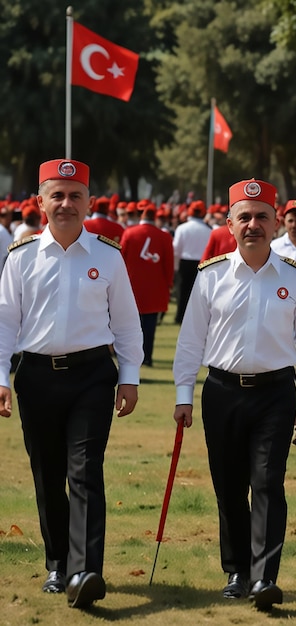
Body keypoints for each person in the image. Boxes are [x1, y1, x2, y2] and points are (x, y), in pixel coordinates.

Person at [173, 179, 296, 611]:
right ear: (229, 223)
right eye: (245, 217)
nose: (253, 225)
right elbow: (189, 342)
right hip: (221, 392)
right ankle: (236, 570)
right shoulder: (210, 276)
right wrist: (184, 394)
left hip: (275, 395)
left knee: (267, 483)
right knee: (228, 486)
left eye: (262, 217)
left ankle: (264, 576)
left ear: (276, 222)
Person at [0, 159, 143, 608]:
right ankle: (58, 563)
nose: (65, 203)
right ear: (40, 202)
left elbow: (127, 325)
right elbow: (5, 322)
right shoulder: (21, 257)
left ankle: (86, 570)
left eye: (74, 195)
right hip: (37, 377)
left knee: (85, 472)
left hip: (92, 378)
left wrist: (130, 377)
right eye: (56, 195)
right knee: (47, 476)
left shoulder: (108, 255)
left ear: (89, 203)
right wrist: (0, 376)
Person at [120, 204, 175, 366]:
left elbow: (121, 259)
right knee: (150, 326)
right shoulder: (164, 236)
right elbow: (169, 264)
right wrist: (169, 284)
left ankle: (130, 356)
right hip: (155, 287)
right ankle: (147, 357)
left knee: (130, 326)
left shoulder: (129, 233)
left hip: (132, 285)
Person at [172, 200, 212, 323]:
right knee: (198, 293)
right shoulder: (208, 230)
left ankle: (180, 316)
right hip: (201, 263)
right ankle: (196, 317)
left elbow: (176, 248)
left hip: (185, 261)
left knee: (182, 291)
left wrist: (176, 263)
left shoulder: (182, 228)